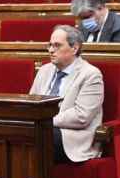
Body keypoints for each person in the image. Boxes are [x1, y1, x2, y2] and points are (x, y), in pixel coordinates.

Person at [29, 25, 104, 163]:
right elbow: (31, 103)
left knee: (38, 135)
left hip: (71, 137)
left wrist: (45, 122)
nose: (51, 50)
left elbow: (82, 116)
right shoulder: (44, 70)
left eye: (57, 45)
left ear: (74, 48)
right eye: (50, 45)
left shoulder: (91, 74)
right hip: (43, 128)